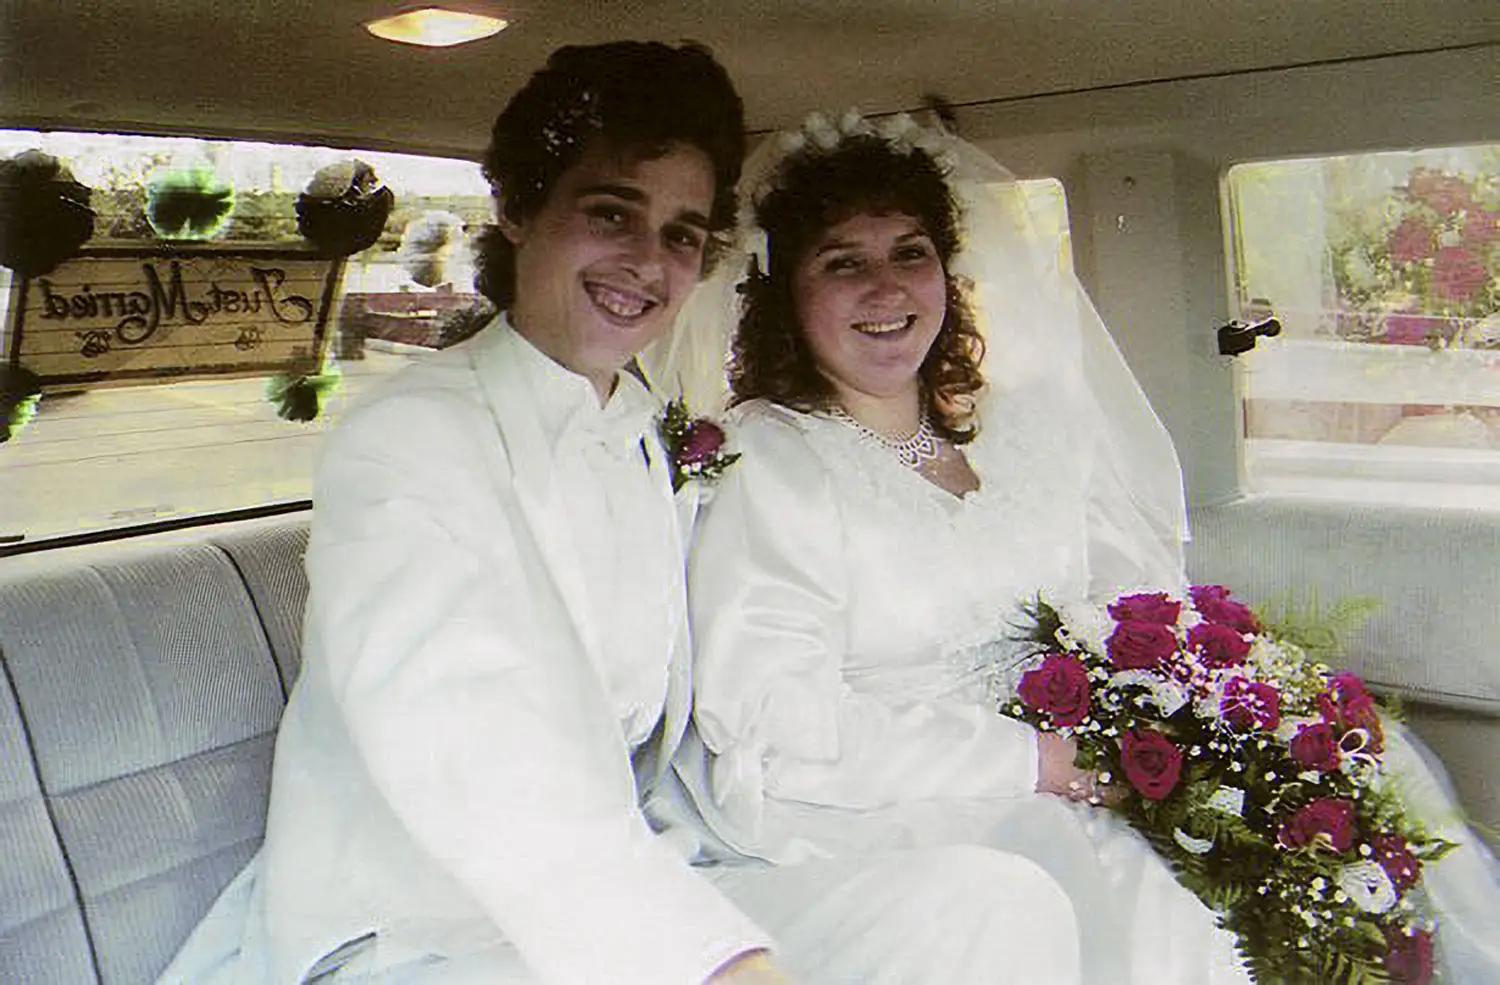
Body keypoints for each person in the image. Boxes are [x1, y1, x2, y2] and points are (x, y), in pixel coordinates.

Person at [158, 46, 1084, 985]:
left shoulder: (646, 430)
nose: (647, 263)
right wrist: (712, 957)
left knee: (993, 900)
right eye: (612, 214)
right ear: (519, 210)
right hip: (424, 925)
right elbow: (473, 746)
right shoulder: (413, 438)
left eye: (682, 234)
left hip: (633, 880)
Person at [675, 110, 1500, 985]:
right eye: (844, 262)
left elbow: (1130, 601)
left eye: (910, 253)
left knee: (1376, 766)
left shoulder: (1020, 430)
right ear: (785, 291)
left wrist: (1201, 713)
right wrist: (1038, 760)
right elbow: (775, 725)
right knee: (1148, 894)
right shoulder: (766, 459)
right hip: (891, 789)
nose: (887, 289)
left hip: (1087, 754)